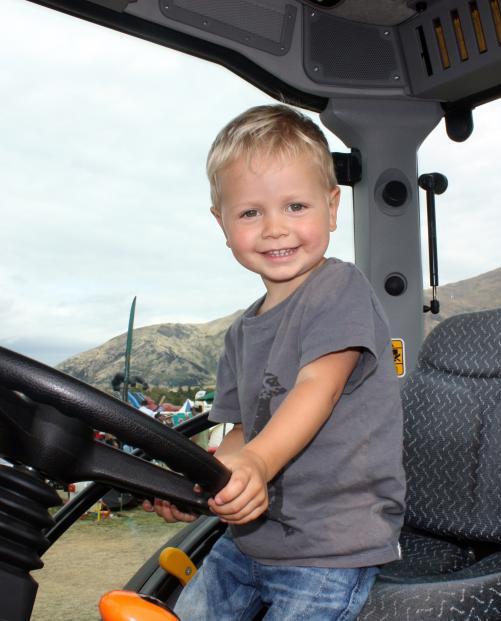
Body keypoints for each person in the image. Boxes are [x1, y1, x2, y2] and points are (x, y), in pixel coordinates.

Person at [144, 104, 405, 621]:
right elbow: (243, 430)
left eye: (295, 206)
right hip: (247, 544)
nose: (274, 228)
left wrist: (259, 464)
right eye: (249, 212)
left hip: (331, 549)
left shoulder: (339, 288)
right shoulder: (242, 331)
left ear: (332, 208)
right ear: (222, 223)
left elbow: (317, 386)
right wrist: (200, 484)